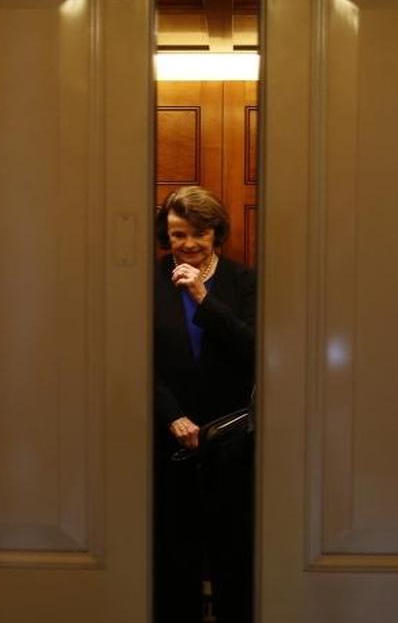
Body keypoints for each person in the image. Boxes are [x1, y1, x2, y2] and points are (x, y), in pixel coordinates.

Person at [153, 186, 255, 623]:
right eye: (178, 235)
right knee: (175, 553)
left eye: (198, 233)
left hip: (230, 438)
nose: (188, 244)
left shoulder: (242, 281)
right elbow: (132, 358)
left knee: (233, 550)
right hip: (167, 433)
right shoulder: (147, 279)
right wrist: (172, 415)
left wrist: (202, 298)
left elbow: (253, 350)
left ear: (216, 233)